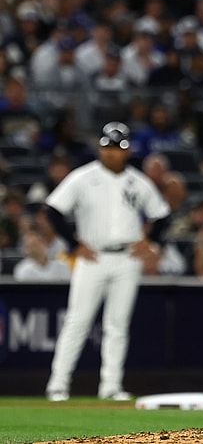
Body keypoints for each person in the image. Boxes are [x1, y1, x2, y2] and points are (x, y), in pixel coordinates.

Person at [44, 122, 171, 402]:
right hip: (93, 257)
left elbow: (162, 215)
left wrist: (152, 243)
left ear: (127, 151)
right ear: (101, 148)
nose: (112, 153)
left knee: (117, 324)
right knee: (77, 321)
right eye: (108, 147)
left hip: (127, 258)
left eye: (118, 148)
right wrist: (74, 244)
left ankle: (111, 386)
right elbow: (53, 209)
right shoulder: (83, 177)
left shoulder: (138, 181)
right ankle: (58, 385)